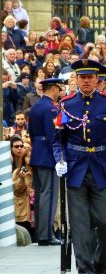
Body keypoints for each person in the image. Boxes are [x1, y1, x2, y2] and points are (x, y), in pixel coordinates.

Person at [53, 60, 106, 274]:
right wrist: (59, 160)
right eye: (81, 77)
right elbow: (58, 140)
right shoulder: (66, 105)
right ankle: (85, 271)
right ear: (76, 78)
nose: (86, 81)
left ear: (98, 79)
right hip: (76, 169)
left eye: (90, 77)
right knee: (79, 224)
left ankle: (100, 260)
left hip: (102, 168)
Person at [29, 78, 63, 246]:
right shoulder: (50, 109)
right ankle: (46, 234)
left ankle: (41, 232)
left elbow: (31, 132)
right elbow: (53, 136)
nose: (60, 92)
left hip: (37, 152)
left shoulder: (35, 106)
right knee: (49, 196)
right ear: (54, 89)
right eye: (59, 89)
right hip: (48, 156)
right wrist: (59, 157)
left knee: (40, 195)